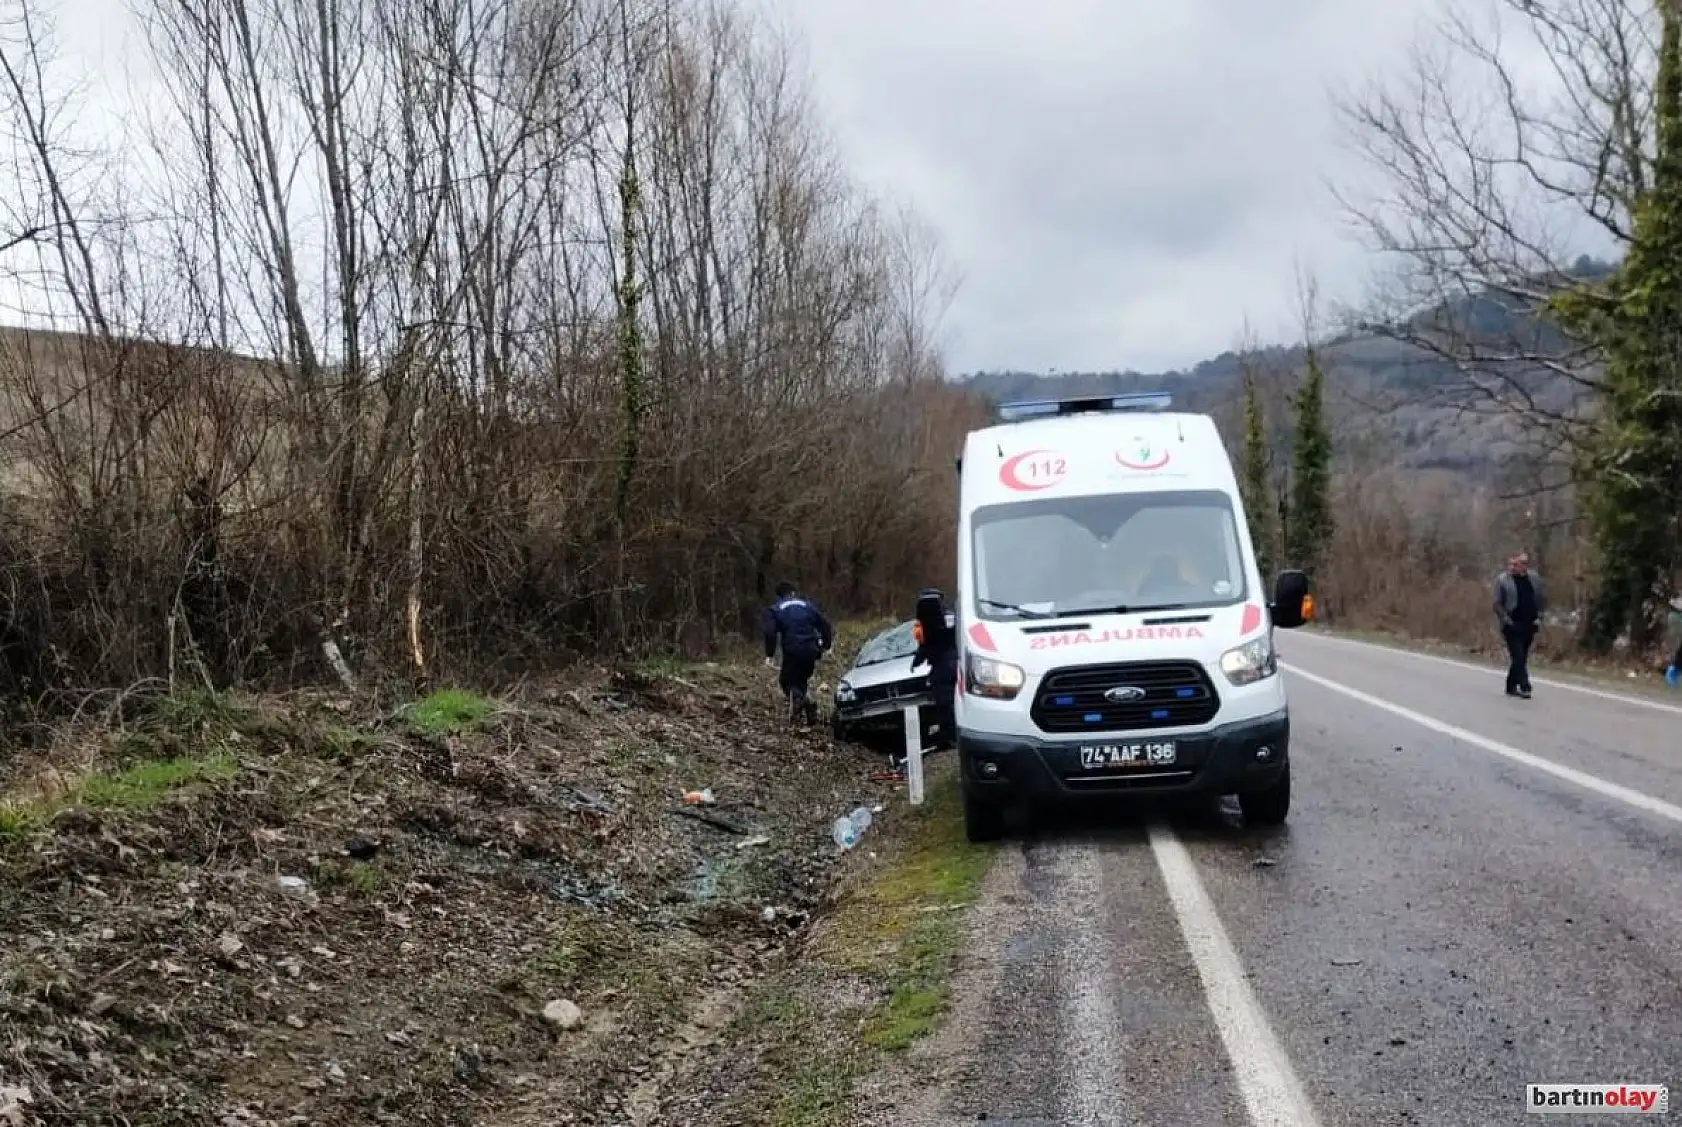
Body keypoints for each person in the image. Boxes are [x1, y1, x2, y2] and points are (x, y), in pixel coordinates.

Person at [761, 581, 833, 724]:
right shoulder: (806, 605)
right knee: (801, 679)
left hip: (793, 650)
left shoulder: (775, 609)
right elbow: (825, 625)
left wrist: (770, 654)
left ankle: (803, 700)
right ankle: (806, 710)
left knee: (786, 681)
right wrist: (826, 645)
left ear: (778, 596)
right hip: (812, 649)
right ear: (793, 592)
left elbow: (770, 632)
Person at [910, 588, 959, 751]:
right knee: (948, 701)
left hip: (943, 665)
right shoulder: (950, 617)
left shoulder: (924, 623)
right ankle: (949, 735)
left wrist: (918, 659)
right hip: (949, 663)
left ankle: (949, 736)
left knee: (945, 702)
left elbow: (924, 645)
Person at [1493, 551, 1544, 699]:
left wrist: (1539, 617)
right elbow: (1497, 603)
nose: (1512, 567)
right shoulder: (1502, 580)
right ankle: (1525, 685)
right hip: (1511, 624)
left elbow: (1540, 599)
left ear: (1524, 565)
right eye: (1511, 564)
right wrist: (1505, 619)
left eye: (1516, 564)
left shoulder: (1534, 578)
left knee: (1521, 658)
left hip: (1529, 624)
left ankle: (1510, 686)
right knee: (1518, 655)